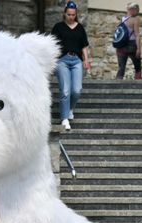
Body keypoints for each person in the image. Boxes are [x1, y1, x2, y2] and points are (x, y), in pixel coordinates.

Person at [51, 1, 91, 131]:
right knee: (65, 90)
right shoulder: (58, 27)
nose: (71, 17)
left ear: (76, 14)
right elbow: (52, 45)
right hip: (62, 60)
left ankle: (69, 109)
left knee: (76, 90)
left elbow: (84, 45)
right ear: (64, 14)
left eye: (73, 15)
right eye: (68, 14)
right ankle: (64, 119)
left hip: (76, 61)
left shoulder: (80, 28)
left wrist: (86, 60)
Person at [115, 3, 142, 80]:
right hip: (131, 45)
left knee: (121, 68)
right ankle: (138, 85)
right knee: (138, 67)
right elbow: (137, 35)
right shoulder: (135, 19)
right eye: (137, 10)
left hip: (120, 45)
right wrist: (138, 49)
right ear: (133, 10)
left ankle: (116, 86)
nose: (138, 12)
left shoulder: (122, 19)